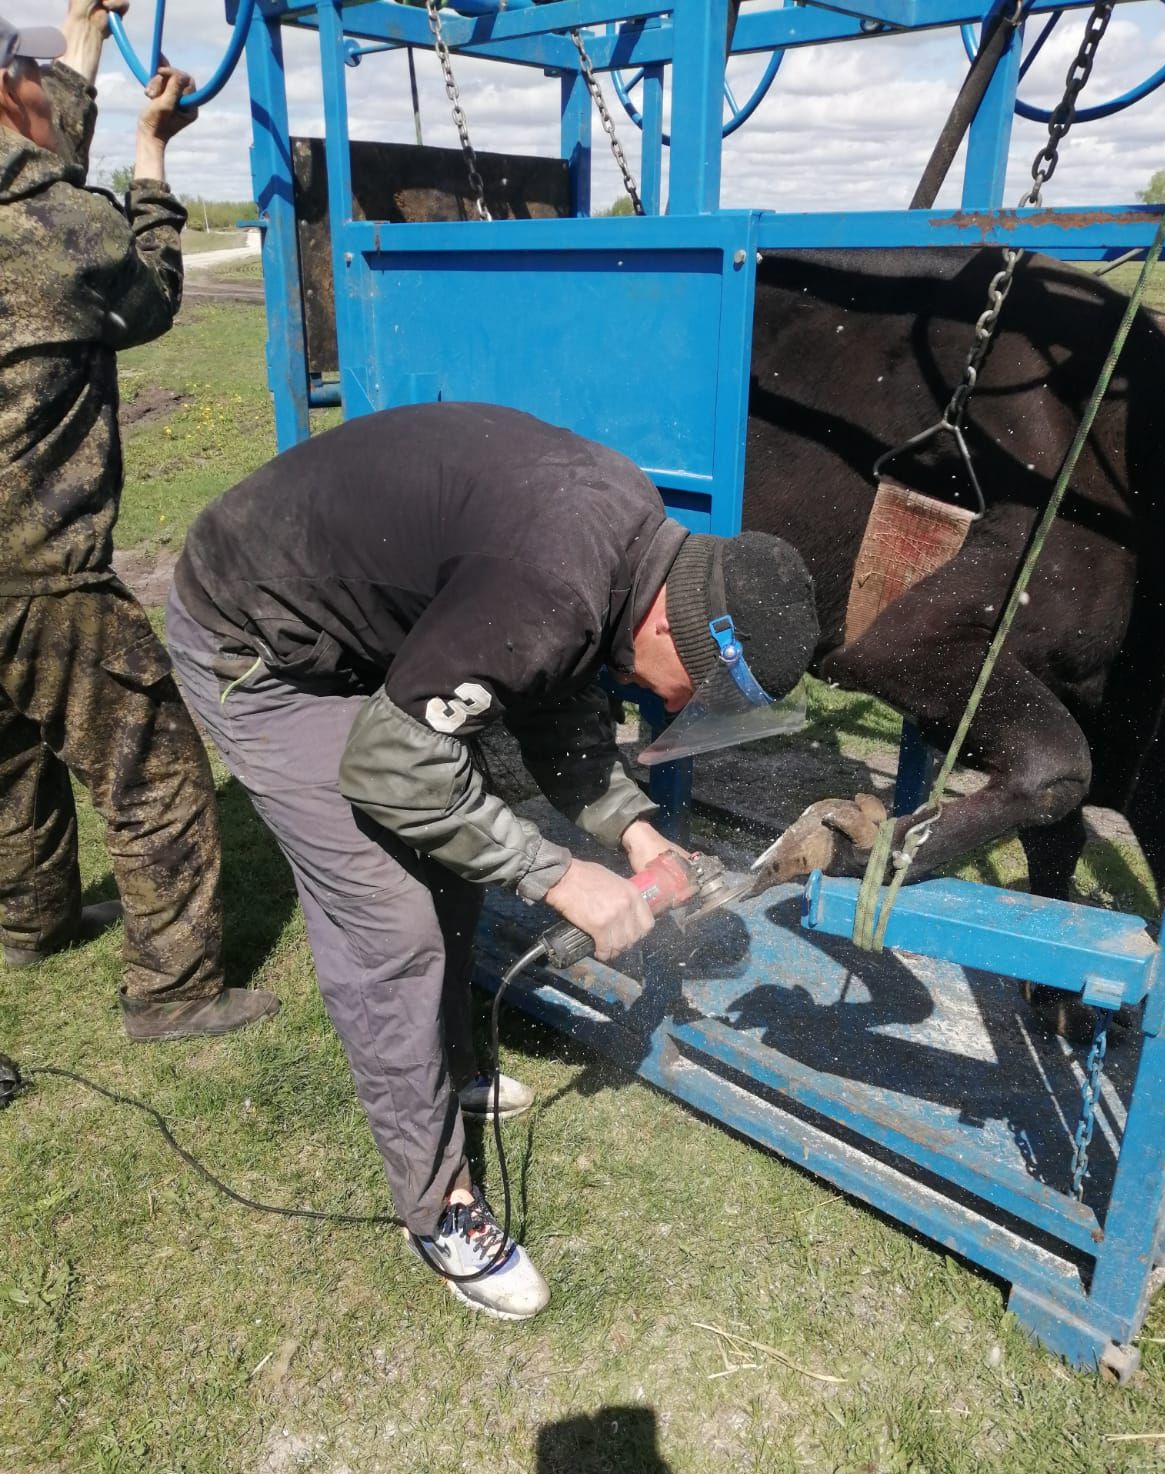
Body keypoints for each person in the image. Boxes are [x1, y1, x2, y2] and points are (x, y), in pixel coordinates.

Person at [166, 402, 819, 1319]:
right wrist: (558, 874)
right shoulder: (556, 582)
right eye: (694, 696)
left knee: (456, 855)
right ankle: (438, 1208)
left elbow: (555, 689)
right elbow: (391, 765)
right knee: (390, 919)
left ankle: (450, 1069)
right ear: (677, 632)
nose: (679, 710)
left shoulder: (633, 538)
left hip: (365, 631)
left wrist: (631, 829)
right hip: (261, 645)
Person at [0, 3, 278, 1041]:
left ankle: (32, 919)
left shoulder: (31, 208)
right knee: (151, 765)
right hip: (39, 571)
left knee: (12, 750)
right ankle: (176, 992)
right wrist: (152, 163)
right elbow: (150, 287)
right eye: (30, 72)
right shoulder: (56, 230)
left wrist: (79, 39)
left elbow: (37, 171)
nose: (41, 86)